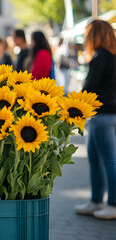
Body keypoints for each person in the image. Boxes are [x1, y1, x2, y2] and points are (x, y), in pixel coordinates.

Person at [74, 19, 116, 220]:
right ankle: (96, 200)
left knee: (107, 159)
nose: (85, 38)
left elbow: (90, 88)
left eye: (87, 34)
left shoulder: (99, 57)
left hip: (102, 115)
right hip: (110, 114)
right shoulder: (113, 57)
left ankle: (112, 203)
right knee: (95, 157)